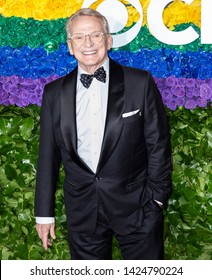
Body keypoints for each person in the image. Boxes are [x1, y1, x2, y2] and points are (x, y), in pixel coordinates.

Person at [34, 7, 172, 260]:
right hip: (83, 211)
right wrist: (44, 213)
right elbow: (47, 157)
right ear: (70, 46)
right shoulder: (54, 93)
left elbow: (158, 144)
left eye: (95, 35)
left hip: (138, 209)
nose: (88, 43)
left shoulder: (139, 82)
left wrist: (157, 201)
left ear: (108, 40)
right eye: (79, 37)